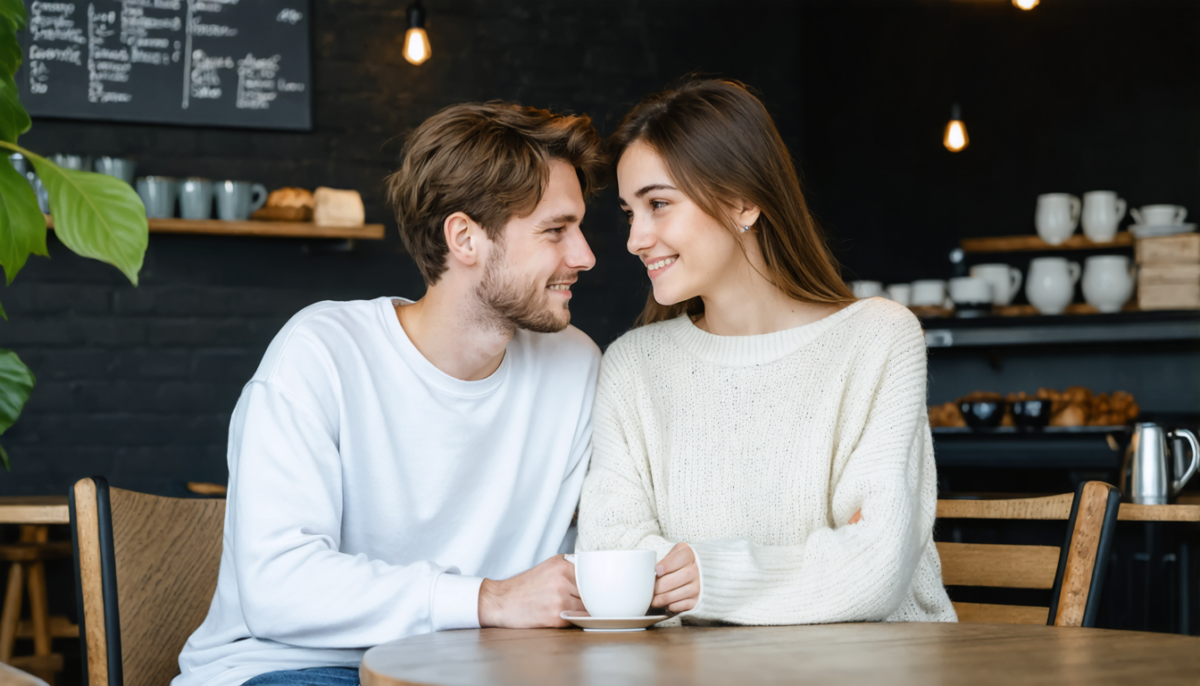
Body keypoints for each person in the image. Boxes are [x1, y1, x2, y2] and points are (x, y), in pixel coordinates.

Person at [175, 101, 607, 686]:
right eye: (556, 231)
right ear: (465, 239)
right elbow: (277, 586)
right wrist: (488, 599)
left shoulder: (574, 365)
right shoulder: (323, 353)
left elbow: (590, 545)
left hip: (473, 670)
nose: (585, 256)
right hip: (294, 667)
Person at [577, 80, 956, 625]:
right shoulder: (634, 366)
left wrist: (714, 577)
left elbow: (874, 565)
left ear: (742, 202)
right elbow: (611, 554)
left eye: (658, 204)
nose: (636, 238)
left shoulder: (878, 338)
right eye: (630, 213)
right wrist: (802, 570)